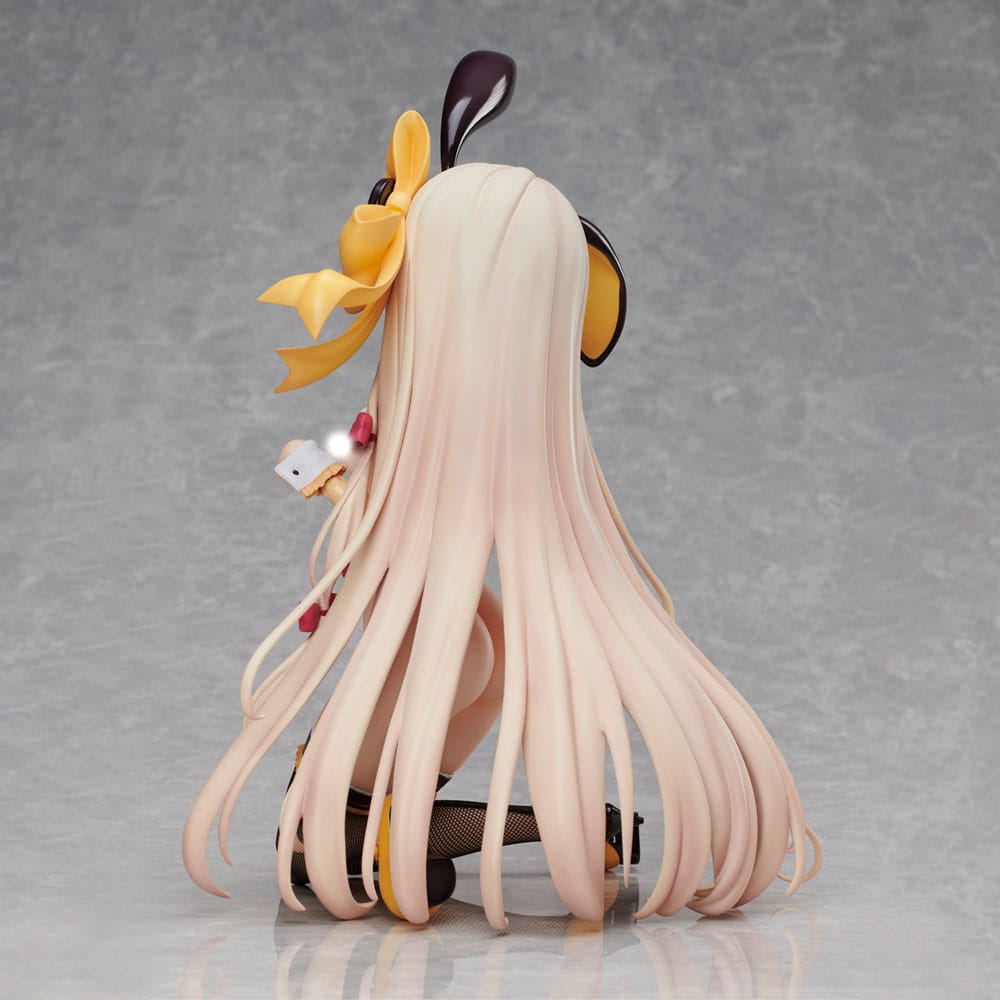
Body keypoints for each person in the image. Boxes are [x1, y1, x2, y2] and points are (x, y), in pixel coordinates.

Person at [183, 51, 819, 931]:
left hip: (408, 544)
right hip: (393, 543)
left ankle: (375, 812)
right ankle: (347, 810)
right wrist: (330, 481)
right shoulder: (401, 431)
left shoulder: (489, 447)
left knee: (490, 651)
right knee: (471, 653)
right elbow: (330, 453)